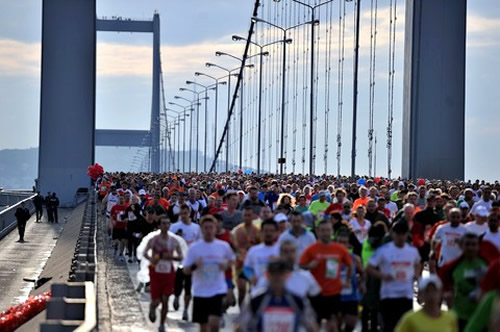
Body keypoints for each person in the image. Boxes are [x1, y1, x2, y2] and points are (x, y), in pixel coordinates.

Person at [366, 222, 422, 332]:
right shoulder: (384, 250)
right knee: (390, 327)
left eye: (403, 234)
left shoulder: (412, 251)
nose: (400, 237)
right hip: (389, 295)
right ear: (392, 234)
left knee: (406, 327)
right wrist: (382, 275)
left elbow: (418, 263)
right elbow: (369, 268)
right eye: (398, 234)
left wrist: (415, 275)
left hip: (406, 295)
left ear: (407, 235)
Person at [183, 215, 235, 332]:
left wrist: (226, 265)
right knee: (203, 327)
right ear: (201, 230)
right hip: (200, 291)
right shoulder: (194, 248)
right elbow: (185, 270)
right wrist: (195, 265)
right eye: (205, 228)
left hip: (217, 290)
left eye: (211, 227)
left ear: (215, 229)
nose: (208, 230)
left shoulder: (223, 246)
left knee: (214, 324)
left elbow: (232, 261)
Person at [236, 260, 319, 332]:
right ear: (267, 275)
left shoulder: (298, 301)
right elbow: (240, 327)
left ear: (287, 276)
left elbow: (312, 326)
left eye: (280, 274)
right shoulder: (255, 300)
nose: (277, 278)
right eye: (273, 274)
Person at [300, 219, 352, 332]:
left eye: (328, 230)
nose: (325, 233)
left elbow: (349, 264)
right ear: (318, 232)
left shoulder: (339, 249)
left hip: (334, 292)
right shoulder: (311, 249)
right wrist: (310, 266)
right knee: (315, 323)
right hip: (315, 292)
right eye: (323, 230)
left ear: (332, 231)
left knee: (333, 322)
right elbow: (300, 266)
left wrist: (346, 280)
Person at [438, 232, 488, 331]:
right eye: (467, 244)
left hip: (481, 317)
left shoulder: (486, 264)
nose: (470, 248)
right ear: (461, 246)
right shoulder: (452, 267)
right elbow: (443, 287)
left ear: (478, 246)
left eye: (473, 244)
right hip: (460, 317)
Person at [143, 216, 183, 332]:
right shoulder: (154, 239)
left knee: (165, 299)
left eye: (167, 223)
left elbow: (180, 256)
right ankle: (152, 306)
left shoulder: (174, 240)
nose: (166, 226)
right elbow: (145, 252)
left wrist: (172, 257)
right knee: (157, 300)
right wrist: (152, 259)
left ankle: (162, 324)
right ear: (159, 225)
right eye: (163, 223)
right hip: (156, 272)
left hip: (168, 272)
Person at [253, 240, 321, 298]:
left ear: (297, 254)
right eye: (286, 252)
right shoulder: (270, 277)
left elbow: (315, 294)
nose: (289, 255)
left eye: (292, 251)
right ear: (280, 254)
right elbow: (257, 295)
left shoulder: (305, 276)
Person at [170, 205, 201, 321]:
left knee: (188, 287)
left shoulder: (196, 228)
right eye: (182, 213)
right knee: (177, 285)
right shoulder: (174, 227)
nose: (184, 215)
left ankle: (185, 310)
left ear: (190, 213)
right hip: (178, 261)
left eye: (186, 213)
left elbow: (200, 244)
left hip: (191, 262)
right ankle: (177, 296)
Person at [231, 207, 261, 306]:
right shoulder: (237, 230)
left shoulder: (257, 231)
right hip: (240, 264)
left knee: (253, 291)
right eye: (245, 215)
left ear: (253, 216)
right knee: (241, 289)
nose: (247, 217)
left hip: (253, 264)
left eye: (249, 215)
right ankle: (241, 311)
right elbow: (232, 246)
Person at [336, 229, 365, 332]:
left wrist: (362, 283)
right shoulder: (332, 259)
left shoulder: (354, 259)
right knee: (337, 326)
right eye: (340, 242)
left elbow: (363, 273)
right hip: (337, 296)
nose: (342, 245)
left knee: (351, 323)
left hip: (351, 296)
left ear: (348, 244)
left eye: (344, 242)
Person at [243, 219, 279, 296]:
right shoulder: (254, 250)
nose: (268, 234)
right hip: (257, 291)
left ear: (276, 233)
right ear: (261, 232)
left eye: (271, 231)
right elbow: (246, 267)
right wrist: (251, 276)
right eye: (266, 231)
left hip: (276, 292)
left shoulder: (281, 250)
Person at [110, 193, 130, 261]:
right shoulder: (114, 207)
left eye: (122, 199)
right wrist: (112, 222)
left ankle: (121, 254)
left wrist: (127, 220)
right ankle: (115, 249)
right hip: (116, 227)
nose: (121, 200)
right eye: (120, 199)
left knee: (123, 241)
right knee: (116, 242)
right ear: (118, 199)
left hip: (124, 227)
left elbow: (129, 216)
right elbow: (111, 216)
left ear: (124, 199)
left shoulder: (126, 207)